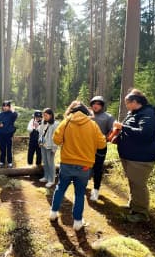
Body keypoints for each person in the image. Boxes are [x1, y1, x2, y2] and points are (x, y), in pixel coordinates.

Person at [50, 101, 106, 231]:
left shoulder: (66, 122)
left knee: (60, 188)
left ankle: (53, 214)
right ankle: (77, 222)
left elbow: (56, 140)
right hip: (85, 166)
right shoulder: (93, 125)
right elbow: (102, 144)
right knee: (80, 193)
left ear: (72, 111)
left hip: (67, 163)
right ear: (87, 112)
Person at [113, 88, 155, 223]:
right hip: (130, 156)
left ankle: (141, 213)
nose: (126, 105)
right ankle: (134, 205)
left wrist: (123, 127)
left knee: (139, 184)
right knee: (133, 181)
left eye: (127, 102)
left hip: (141, 158)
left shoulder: (148, 114)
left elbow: (144, 134)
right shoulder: (134, 113)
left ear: (135, 102)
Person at [89, 96, 115, 201]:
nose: (95, 105)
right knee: (85, 165)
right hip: (86, 146)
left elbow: (114, 130)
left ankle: (96, 190)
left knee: (98, 169)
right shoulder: (87, 115)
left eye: (98, 103)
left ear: (102, 105)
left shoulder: (108, 117)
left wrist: (106, 138)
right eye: (94, 103)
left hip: (100, 147)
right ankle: (84, 183)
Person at [38, 108, 58, 188]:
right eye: (43, 115)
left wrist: (54, 148)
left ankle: (51, 180)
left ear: (51, 115)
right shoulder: (43, 122)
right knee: (45, 162)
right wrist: (39, 142)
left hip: (50, 146)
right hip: (43, 145)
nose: (44, 117)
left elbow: (56, 137)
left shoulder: (55, 124)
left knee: (50, 163)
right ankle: (46, 177)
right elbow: (41, 133)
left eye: (46, 115)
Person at [0, 101, 18, 168]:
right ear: (2, 107)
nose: (5, 107)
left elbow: (16, 115)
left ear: (9, 107)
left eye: (7, 106)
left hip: (9, 133)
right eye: (4, 106)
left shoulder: (12, 114)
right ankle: (2, 161)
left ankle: (10, 162)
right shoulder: (0, 114)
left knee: (9, 148)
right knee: (2, 148)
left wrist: (12, 109)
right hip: (1, 133)